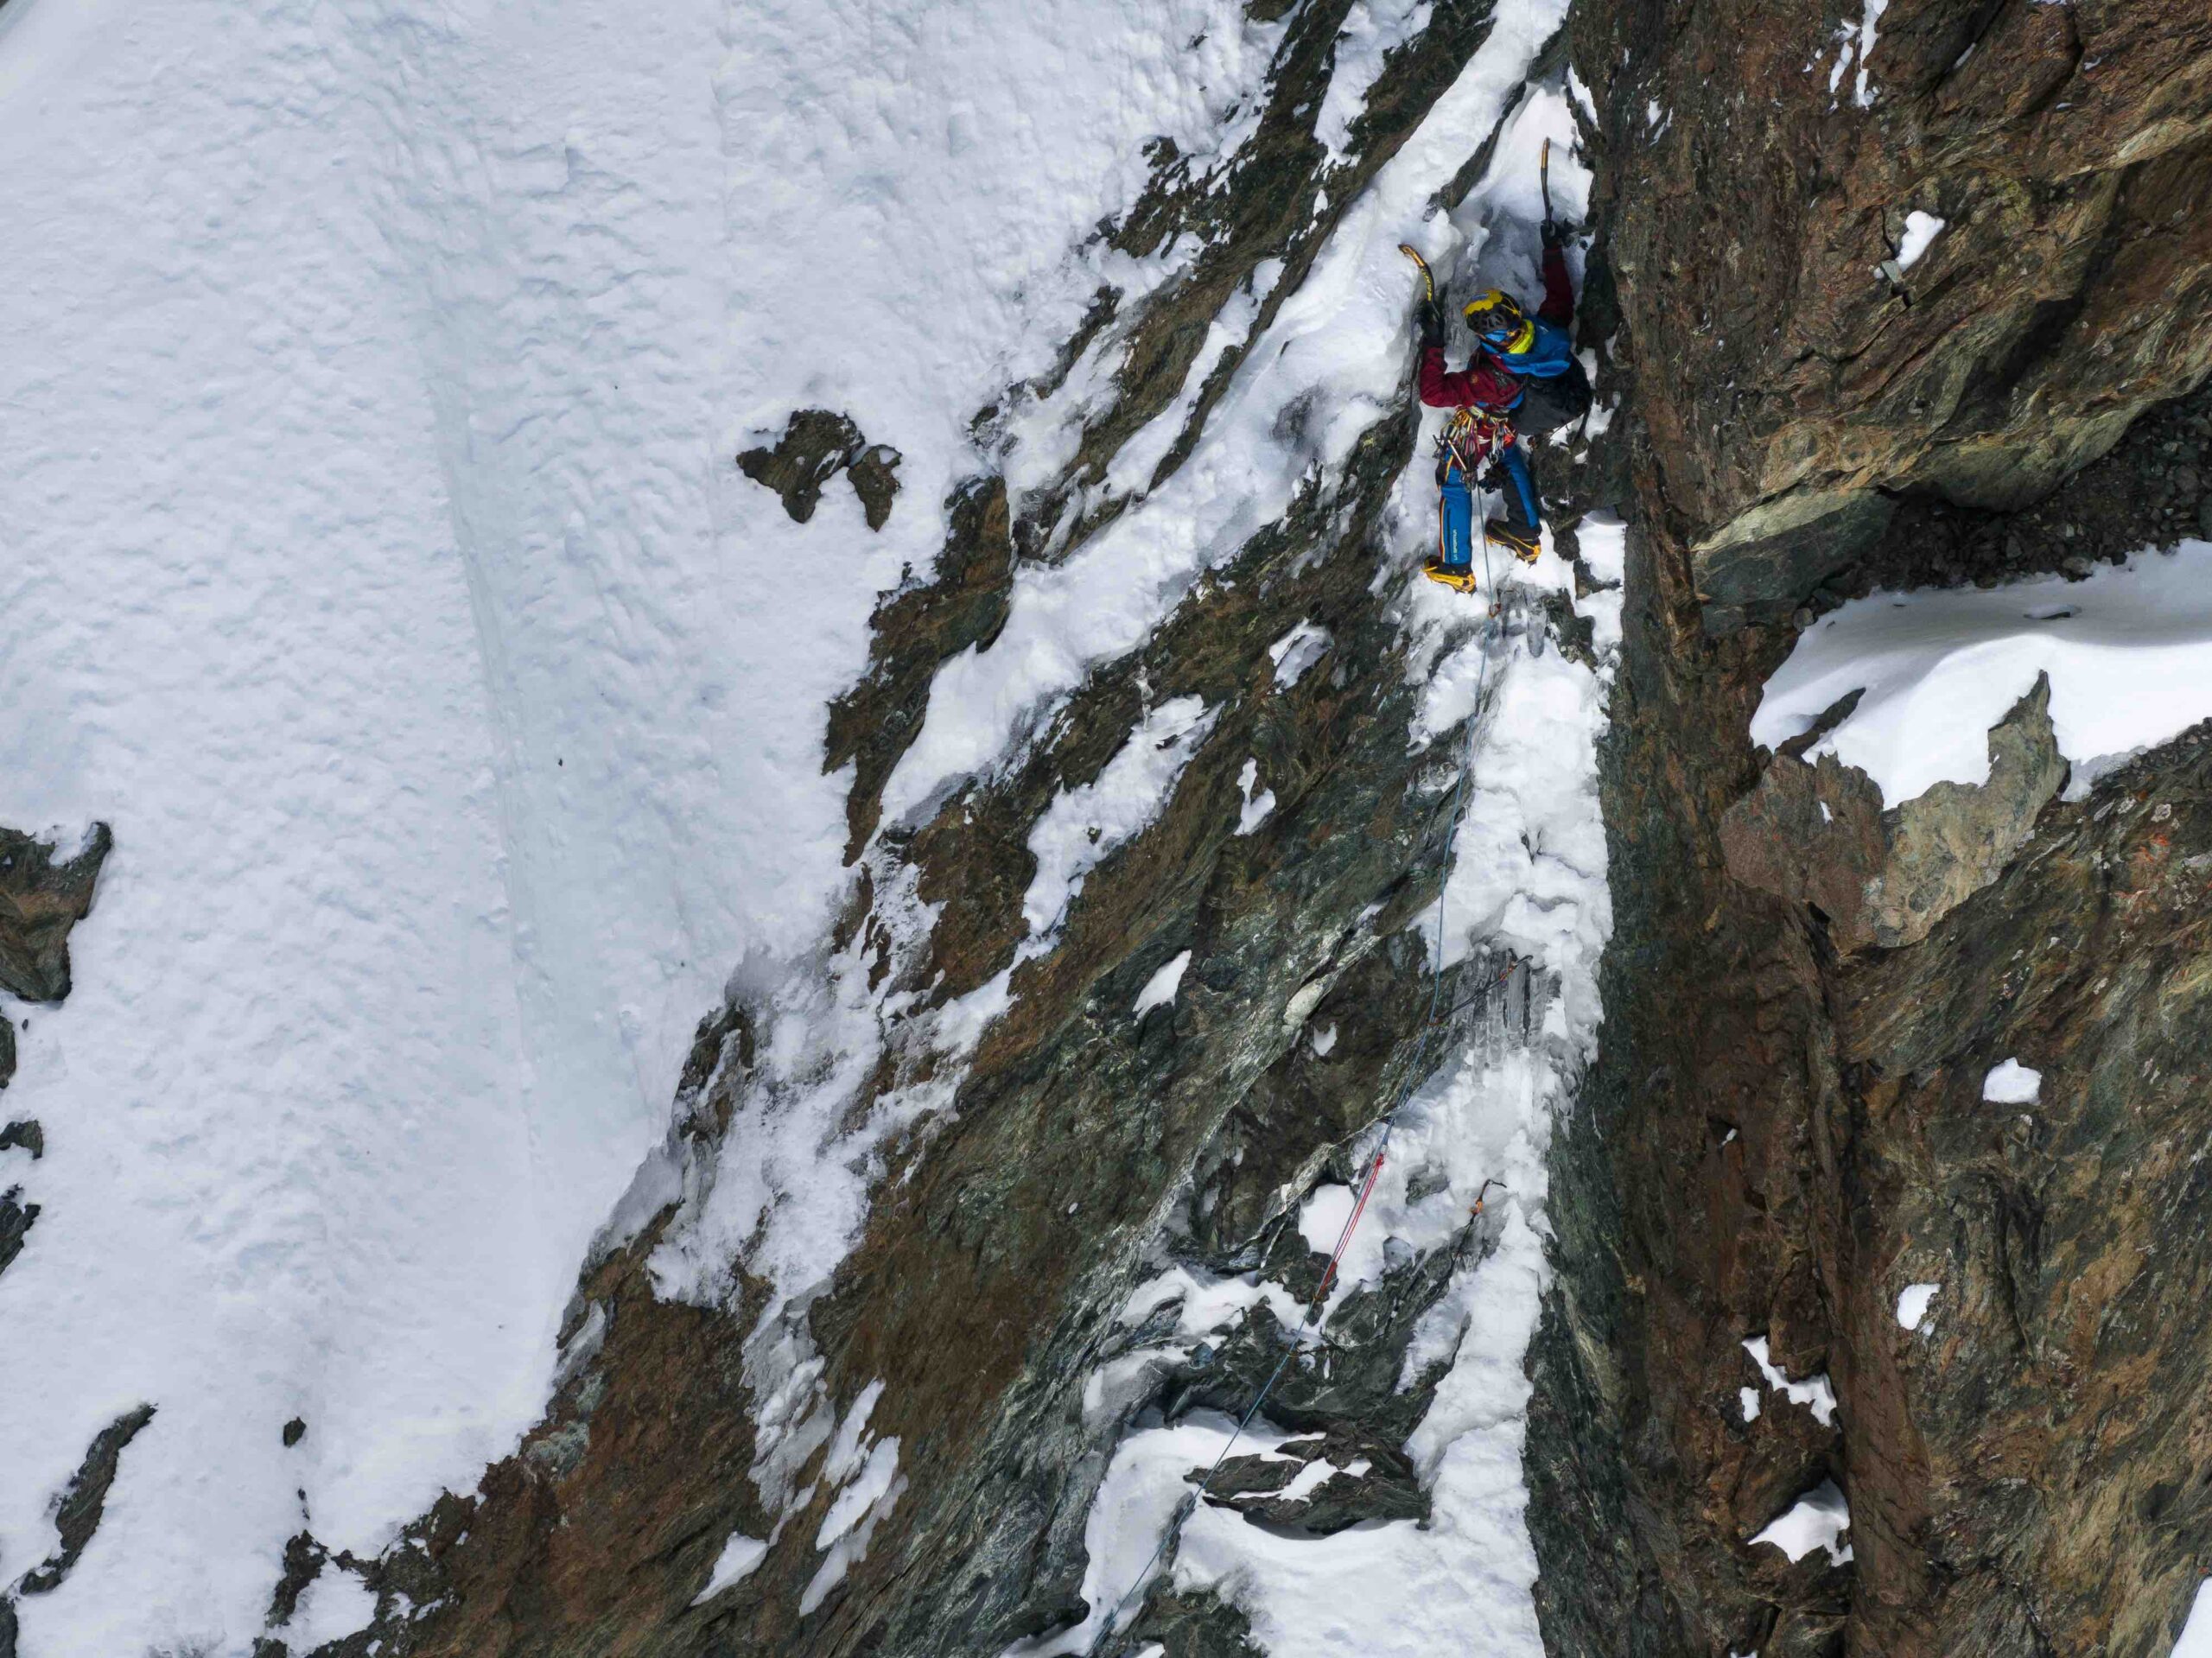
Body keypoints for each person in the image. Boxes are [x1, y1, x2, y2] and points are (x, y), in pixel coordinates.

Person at [1414, 221, 1589, 582]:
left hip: (1495, 414)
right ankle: (1525, 534)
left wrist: (1433, 344)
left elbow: (1434, 394)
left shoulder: (1490, 378)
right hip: (1519, 410)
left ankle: (1457, 565)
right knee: (1506, 454)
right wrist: (1552, 249)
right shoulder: (1546, 332)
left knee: (1453, 475)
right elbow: (1560, 297)